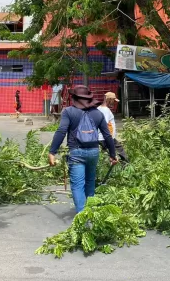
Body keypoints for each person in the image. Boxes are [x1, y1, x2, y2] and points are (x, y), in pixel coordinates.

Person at [48, 85, 117, 213]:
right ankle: (90, 213)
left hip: (76, 152)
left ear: (74, 98)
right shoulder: (98, 113)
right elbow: (107, 135)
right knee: (90, 182)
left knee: (78, 186)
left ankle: (82, 217)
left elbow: (61, 130)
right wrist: (112, 155)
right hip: (93, 152)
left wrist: (52, 152)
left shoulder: (68, 112)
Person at [98, 92, 129, 164]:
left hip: (102, 137)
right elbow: (104, 125)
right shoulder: (106, 110)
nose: (114, 103)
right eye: (113, 101)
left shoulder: (99, 108)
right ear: (109, 100)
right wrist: (109, 139)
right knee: (121, 153)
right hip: (106, 137)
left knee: (106, 154)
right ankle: (126, 168)